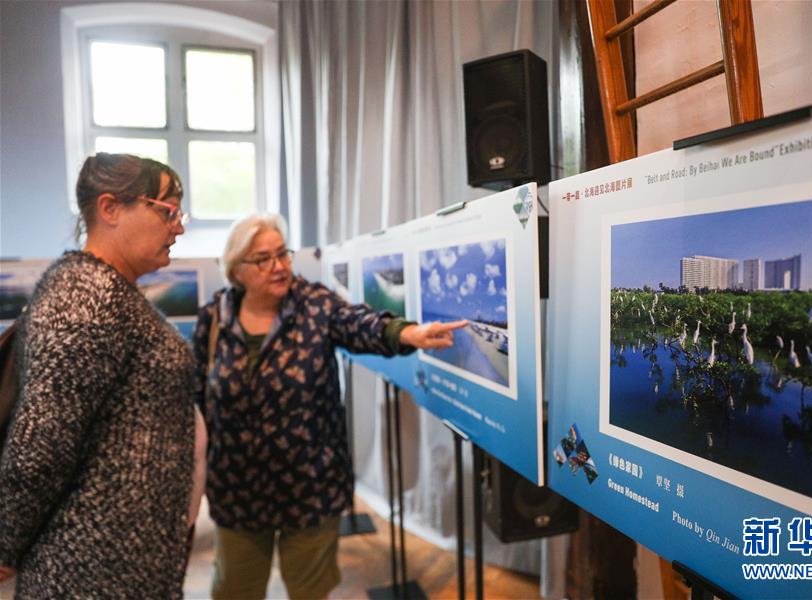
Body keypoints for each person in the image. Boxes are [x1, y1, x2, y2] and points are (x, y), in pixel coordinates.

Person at [194, 213, 465, 599]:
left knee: (310, 591)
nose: (279, 266)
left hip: (309, 488)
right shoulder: (215, 317)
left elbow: (359, 324)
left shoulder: (314, 304)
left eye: (282, 254)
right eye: (263, 259)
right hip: (237, 491)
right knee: (234, 589)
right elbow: (197, 395)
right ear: (237, 270)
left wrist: (406, 332)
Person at [0, 153, 200, 598]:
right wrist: (6, 547)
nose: (179, 227)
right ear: (109, 208)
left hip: (116, 569)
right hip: (87, 574)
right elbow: (39, 444)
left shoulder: (105, 291)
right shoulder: (85, 297)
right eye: (167, 211)